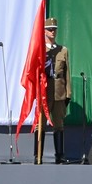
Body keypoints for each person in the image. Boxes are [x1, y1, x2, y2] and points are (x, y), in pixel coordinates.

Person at [36, 16, 70, 164]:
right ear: (44, 31)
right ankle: (38, 155)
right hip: (44, 91)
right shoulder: (39, 49)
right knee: (40, 124)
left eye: (54, 29)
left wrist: (68, 93)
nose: (52, 32)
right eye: (50, 29)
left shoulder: (63, 50)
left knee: (59, 125)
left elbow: (67, 73)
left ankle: (59, 155)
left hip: (59, 91)